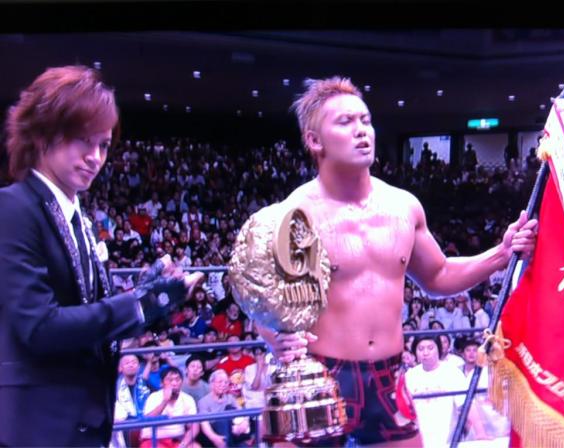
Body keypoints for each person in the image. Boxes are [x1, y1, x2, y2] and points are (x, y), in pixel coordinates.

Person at [256, 77, 537, 446]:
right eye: (345, 122)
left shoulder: (403, 206)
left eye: (365, 120)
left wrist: (501, 254)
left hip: (388, 377)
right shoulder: (295, 215)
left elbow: (437, 276)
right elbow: (263, 304)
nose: (361, 130)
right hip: (317, 374)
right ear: (314, 140)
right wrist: (275, 339)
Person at [0, 65, 202, 446]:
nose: (95, 157)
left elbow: (89, 316)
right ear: (43, 134)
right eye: (83, 140)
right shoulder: (12, 208)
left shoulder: (81, 220)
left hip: (85, 421)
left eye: (104, 145)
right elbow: (38, 326)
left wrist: (149, 299)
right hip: (36, 428)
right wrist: (137, 304)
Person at [405, 335, 488, 447]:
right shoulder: (410, 376)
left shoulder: (451, 372)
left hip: (447, 440)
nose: (425, 352)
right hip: (419, 439)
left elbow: (466, 405)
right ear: (415, 352)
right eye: (420, 349)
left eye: (430, 348)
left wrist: (480, 432)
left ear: (438, 349)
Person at [139, 367, 200, 448]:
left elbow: (194, 427)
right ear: (161, 383)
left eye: (177, 380)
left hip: (177, 441)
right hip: (153, 440)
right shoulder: (153, 397)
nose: (174, 383)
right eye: (170, 380)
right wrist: (165, 401)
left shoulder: (188, 399)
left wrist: (183, 444)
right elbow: (147, 422)